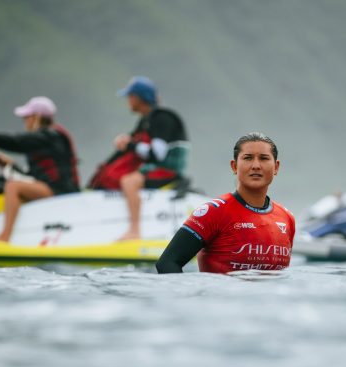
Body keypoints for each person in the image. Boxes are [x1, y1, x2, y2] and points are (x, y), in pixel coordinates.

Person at [156, 132, 295, 274]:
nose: (256, 165)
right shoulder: (213, 212)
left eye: (264, 158)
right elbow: (167, 263)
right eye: (247, 158)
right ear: (234, 166)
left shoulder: (287, 217)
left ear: (276, 167)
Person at [0, 96, 80, 241]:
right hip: (53, 187)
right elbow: (34, 173)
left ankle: (4, 236)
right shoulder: (45, 137)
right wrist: (4, 162)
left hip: (61, 191)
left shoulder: (50, 136)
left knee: (13, 187)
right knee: (6, 184)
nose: (24, 122)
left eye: (26, 118)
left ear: (36, 117)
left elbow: (16, 142)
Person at [114, 76, 189, 240]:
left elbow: (157, 154)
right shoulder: (147, 119)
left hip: (169, 171)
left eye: (130, 96)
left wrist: (130, 145)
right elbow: (135, 142)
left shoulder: (161, 118)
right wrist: (125, 141)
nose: (128, 100)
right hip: (156, 168)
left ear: (139, 98)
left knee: (129, 181)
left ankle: (134, 231)